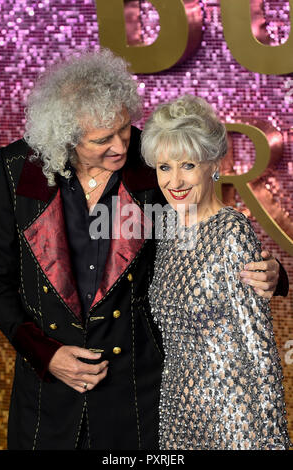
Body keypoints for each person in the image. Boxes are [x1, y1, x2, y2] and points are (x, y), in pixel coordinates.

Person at [0, 50, 288, 450]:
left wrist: (272, 274)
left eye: (123, 129)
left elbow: (206, 236)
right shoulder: (18, 169)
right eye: (101, 140)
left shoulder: (152, 166)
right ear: (65, 135)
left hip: (135, 395)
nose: (119, 146)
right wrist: (45, 353)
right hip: (48, 398)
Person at [140, 94, 291, 450]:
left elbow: (260, 348)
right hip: (176, 412)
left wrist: (271, 439)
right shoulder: (166, 233)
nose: (174, 180)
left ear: (213, 164)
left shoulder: (231, 232)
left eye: (187, 165)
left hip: (233, 418)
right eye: (164, 167)